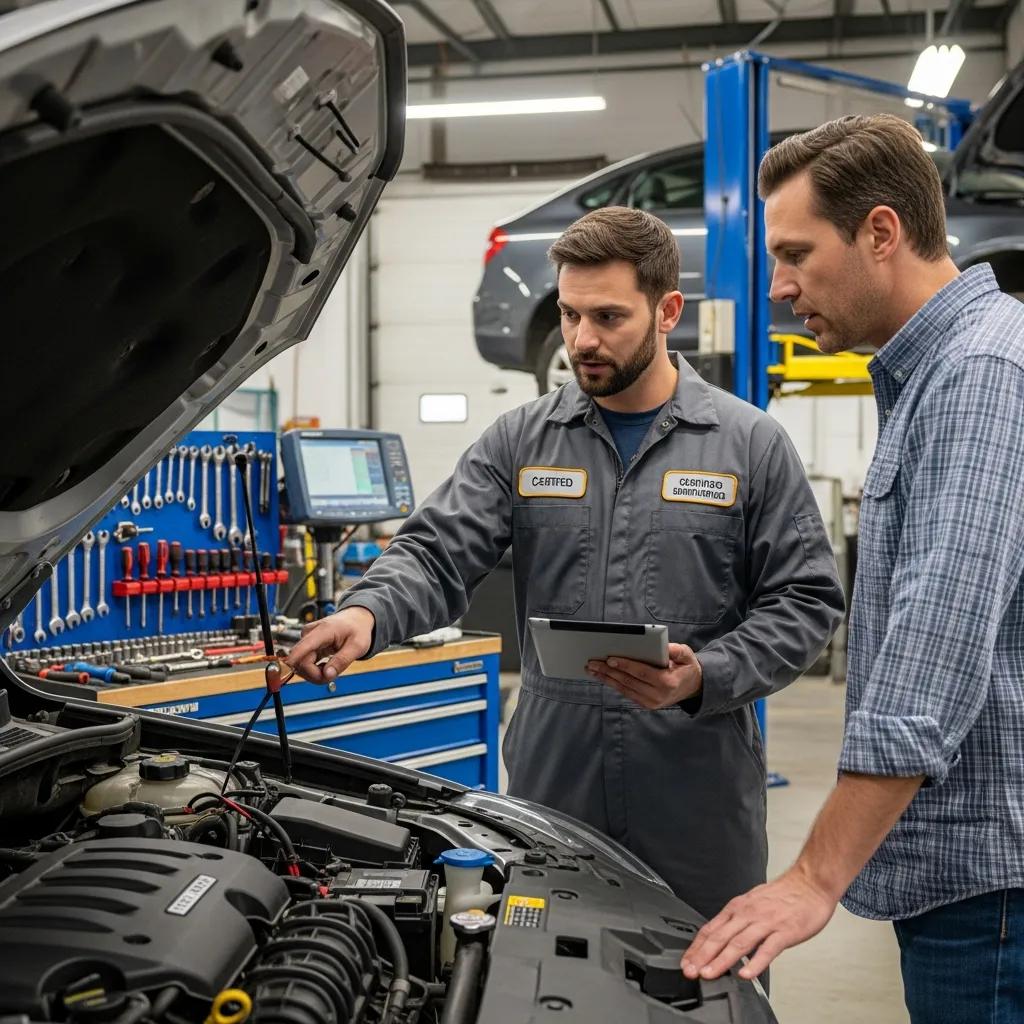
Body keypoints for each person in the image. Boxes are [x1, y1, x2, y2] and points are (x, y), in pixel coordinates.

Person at [286, 205, 844, 921]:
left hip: (696, 785)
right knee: (541, 975)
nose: (583, 339)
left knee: (707, 985)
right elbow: (435, 550)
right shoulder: (524, 439)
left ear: (667, 309)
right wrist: (367, 612)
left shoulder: (748, 445)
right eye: (571, 314)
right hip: (554, 779)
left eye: (608, 317)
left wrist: (709, 674)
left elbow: (805, 601)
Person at [681, 113, 1024, 1021]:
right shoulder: (941, 370)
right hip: (972, 875)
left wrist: (813, 876)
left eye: (796, 253)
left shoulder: (982, 371)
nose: (781, 286)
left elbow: (936, 643)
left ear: (881, 231)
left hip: (992, 890)